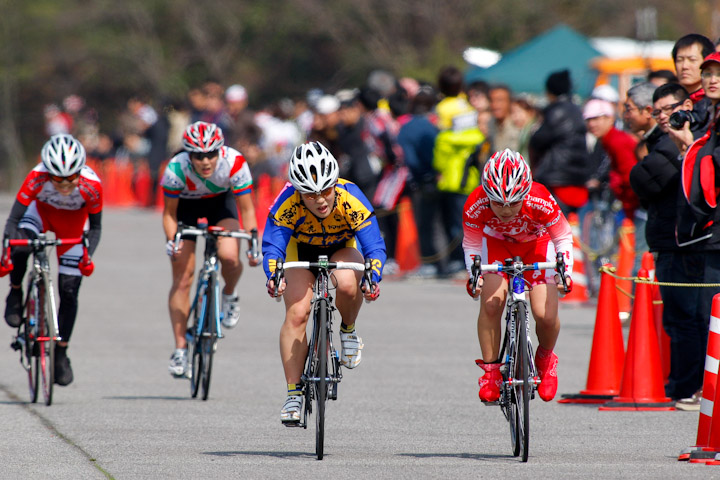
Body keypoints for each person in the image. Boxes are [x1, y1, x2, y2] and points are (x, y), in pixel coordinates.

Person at [263, 141, 386, 424]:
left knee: (346, 283)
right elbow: (273, 248)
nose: (320, 200)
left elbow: (374, 247)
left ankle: (348, 329)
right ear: (298, 191)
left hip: (340, 248)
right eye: (309, 194)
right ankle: (293, 393)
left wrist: (372, 276)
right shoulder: (287, 202)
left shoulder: (350, 196)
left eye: (326, 191)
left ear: (334, 183)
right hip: (300, 252)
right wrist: (274, 276)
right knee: (296, 313)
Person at [462, 149, 574, 402]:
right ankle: (490, 372)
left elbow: (562, 237)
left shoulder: (540, 197)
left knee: (545, 314)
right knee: (491, 304)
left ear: (525, 193)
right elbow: (471, 245)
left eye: (513, 202)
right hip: (497, 246)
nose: (505, 209)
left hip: (536, 245)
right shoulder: (475, 203)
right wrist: (474, 276)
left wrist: (565, 272)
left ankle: (545, 358)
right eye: (497, 202)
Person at [161, 121, 259, 379]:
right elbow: (169, 215)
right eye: (198, 155)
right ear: (188, 155)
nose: (205, 161)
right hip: (186, 209)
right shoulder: (175, 169)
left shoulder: (235, 162)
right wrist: (172, 241)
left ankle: (229, 293)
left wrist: (253, 242)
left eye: (211, 154)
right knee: (183, 278)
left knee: (229, 256)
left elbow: (247, 210)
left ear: (220, 151)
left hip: (220, 206)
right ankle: (180, 348)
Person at [2, 134, 101, 386]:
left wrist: (88, 254)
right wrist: (9, 248)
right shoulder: (36, 177)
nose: (65, 184)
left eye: (71, 177)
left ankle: (61, 352)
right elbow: (13, 221)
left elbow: (96, 228)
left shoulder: (92, 185)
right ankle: (15, 294)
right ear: (48, 173)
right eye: (58, 178)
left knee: (69, 290)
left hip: (73, 224)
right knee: (22, 247)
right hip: (41, 214)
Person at [669, 53, 720, 409]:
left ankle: (711, 393)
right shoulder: (711, 117)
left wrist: (691, 148)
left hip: (715, 230)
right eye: (708, 73)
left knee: (711, 312)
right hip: (709, 232)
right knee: (708, 312)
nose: (711, 79)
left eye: (719, 73)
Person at [433, 66, 485, 274]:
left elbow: (443, 142)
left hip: (452, 175)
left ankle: (458, 260)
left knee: (454, 222)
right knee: (470, 219)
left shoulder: (444, 108)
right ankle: (471, 258)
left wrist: (438, 167)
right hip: (470, 174)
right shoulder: (468, 105)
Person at [529, 69, 590, 216]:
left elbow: (537, 140)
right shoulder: (576, 109)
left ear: (550, 91)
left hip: (557, 177)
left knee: (554, 227)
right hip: (577, 177)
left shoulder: (556, 111)